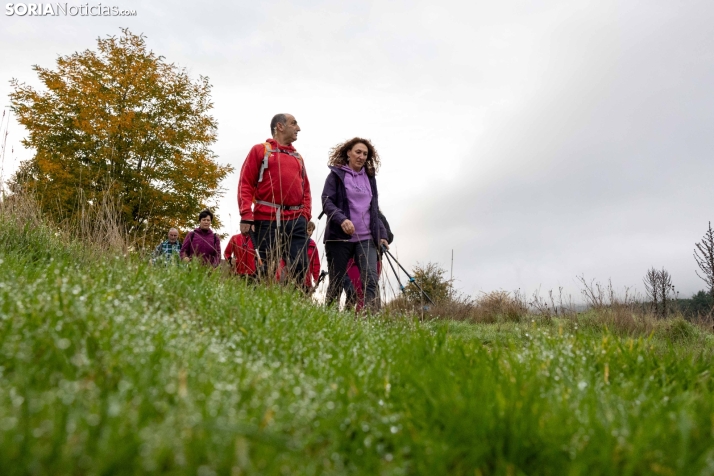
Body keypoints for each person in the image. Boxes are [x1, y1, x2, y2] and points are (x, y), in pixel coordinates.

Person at [238, 113, 311, 288]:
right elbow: (245, 183)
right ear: (280, 126)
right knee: (266, 267)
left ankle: (292, 304)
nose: (298, 128)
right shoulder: (260, 150)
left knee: (301, 265)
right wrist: (246, 214)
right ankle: (260, 303)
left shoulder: (298, 158)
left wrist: (305, 216)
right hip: (266, 219)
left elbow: (306, 190)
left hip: (296, 221)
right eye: (294, 123)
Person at [321, 137, 389, 312]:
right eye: (358, 152)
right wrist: (342, 219)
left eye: (365, 154)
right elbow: (327, 202)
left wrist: (382, 235)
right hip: (339, 238)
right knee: (336, 282)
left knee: (371, 280)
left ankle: (372, 323)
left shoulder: (370, 178)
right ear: (348, 153)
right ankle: (328, 319)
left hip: (366, 238)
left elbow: (373, 209)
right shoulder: (336, 175)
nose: (361, 156)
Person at [343, 210, 394, 310]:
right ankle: (363, 320)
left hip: (375, 259)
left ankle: (371, 317)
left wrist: (379, 235)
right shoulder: (349, 211)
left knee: (371, 287)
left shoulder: (379, 216)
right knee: (360, 292)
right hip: (353, 260)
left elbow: (389, 236)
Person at [276, 221, 321, 290]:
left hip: (306, 280)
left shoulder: (312, 245)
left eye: (312, 231)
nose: (311, 233)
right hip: (288, 276)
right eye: (309, 230)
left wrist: (316, 278)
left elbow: (316, 264)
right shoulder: (292, 241)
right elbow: (284, 259)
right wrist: (279, 276)